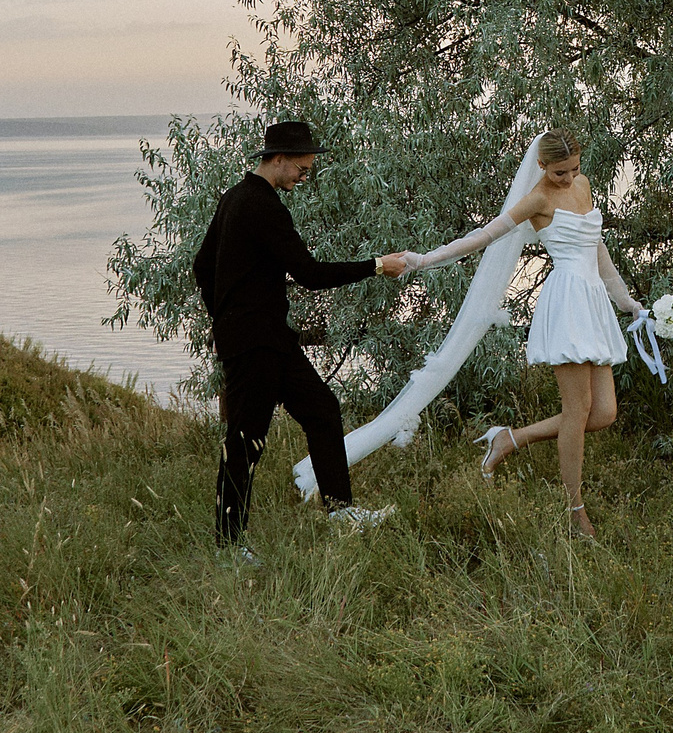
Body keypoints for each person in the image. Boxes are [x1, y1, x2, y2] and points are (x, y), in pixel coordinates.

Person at [402, 127, 645, 539]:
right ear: (541, 165)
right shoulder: (537, 198)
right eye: (559, 172)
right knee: (578, 407)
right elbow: (484, 236)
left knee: (603, 413)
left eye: (573, 170)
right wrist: (425, 260)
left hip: (593, 304)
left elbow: (596, 247)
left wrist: (627, 302)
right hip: (566, 302)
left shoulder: (582, 185)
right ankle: (575, 511)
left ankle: (509, 439)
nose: (567, 179)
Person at [192, 119, 411, 558]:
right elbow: (310, 275)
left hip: (268, 337)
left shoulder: (235, 197)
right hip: (255, 342)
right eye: (302, 169)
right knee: (245, 439)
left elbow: (202, 265)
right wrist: (376, 265)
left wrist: (226, 316)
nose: (305, 177)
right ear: (278, 159)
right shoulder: (262, 206)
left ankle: (339, 512)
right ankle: (229, 543)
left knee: (322, 410)